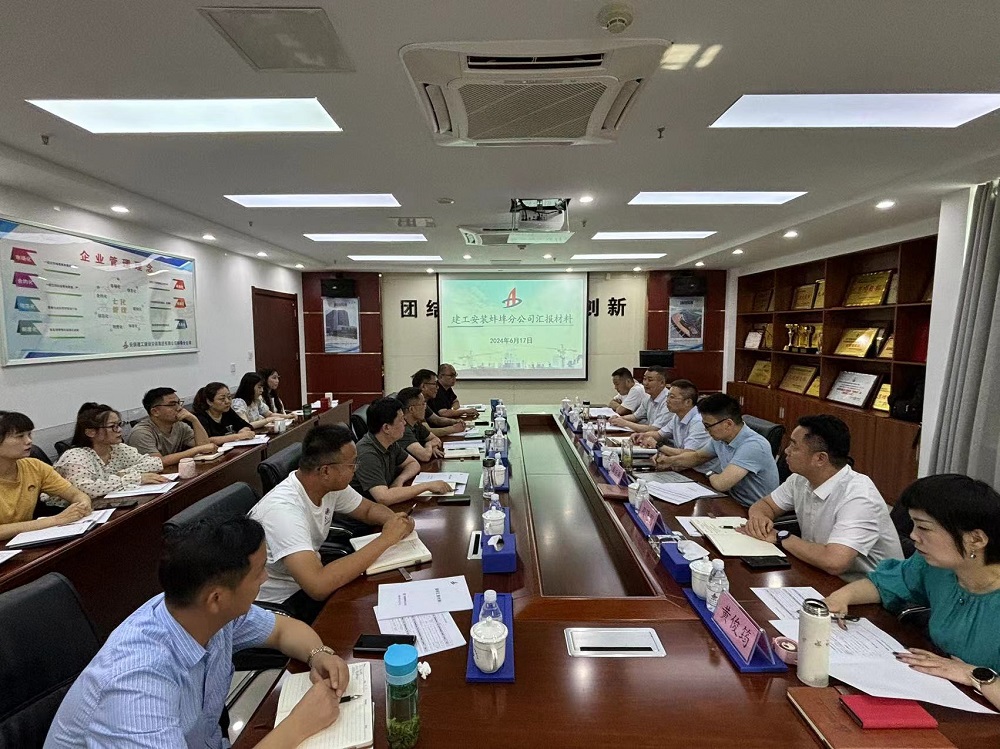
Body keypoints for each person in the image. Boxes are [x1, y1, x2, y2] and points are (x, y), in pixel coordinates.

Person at [45, 515, 349, 748]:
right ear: (216, 598)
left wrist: (318, 655)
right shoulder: (137, 686)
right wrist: (299, 725)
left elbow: (283, 630)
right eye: (258, 572)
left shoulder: (203, 611)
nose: (265, 578)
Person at [825, 474, 1000, 710]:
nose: (913, 536)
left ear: (976, 539)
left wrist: (973, 674)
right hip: (943, 692)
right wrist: (841, 597)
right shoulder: (936, 567)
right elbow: (884, 583)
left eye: (924, 528)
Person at [249, 424, 416, 621]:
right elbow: (318, 586)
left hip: (307, 582)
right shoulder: (283, 512)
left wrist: (396, 521)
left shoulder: (328, 486)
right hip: (280, 605)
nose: (355, 470)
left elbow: (368, 510)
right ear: (326, 471)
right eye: (352, 465)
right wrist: (386, 539)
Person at [741, 415, 903, 580]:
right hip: (818, 572)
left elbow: (834, 562)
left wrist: (781, 536)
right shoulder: (800, 479)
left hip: (868, 587)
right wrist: (759, 520)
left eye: (794, 446)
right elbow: (766, 504)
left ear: (820, 458)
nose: (786, 451)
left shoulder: (859, 496)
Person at [664, 393, 779, 507]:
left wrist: (709, 473)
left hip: (753, 509)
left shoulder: (753, 446)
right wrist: (669, 461)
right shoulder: (721, 439)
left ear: (728, 424)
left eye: (708, 426)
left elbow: (721, 484)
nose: (705, 430)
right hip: (731, 500)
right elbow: (697, 457)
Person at [0, 411, 92, 542]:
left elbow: (75, 494)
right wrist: (56, 520)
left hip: (24, 542)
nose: (29, 441)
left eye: (29, 434)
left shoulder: (34, 466)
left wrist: (82, 504)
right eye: (20, 436)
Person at [350, 397, 451, 506]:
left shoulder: (390, 442)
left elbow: (413, 463)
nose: (405, 423)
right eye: (401, 419)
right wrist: (427, 486)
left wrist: (399, 480)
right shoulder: (367, 454)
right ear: (386, 428)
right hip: (367, 512)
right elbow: (383, 498)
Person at [54, 403, 167, 500]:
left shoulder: (118, 448)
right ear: (91, 432)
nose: (120, 430)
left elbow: (155, 463)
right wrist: (134, 478)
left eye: (119, 424)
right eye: (113, 426)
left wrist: (122, 473)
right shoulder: (75, 456)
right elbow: (85, 489)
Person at [639, 379, 721, 475]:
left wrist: (659, 446)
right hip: (684, 468)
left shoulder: (699, 421)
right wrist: (643, 435)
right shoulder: (677, 416)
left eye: (672, 397)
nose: (667, 400)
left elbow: (688, 454)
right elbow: (660, 434)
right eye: (668, 396)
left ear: (688, 402)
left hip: (702, 474)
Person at [128, 388, 217, 467]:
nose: (179, 408)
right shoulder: (141, 432)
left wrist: (194, 420)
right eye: (172, 404)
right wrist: (196, 450)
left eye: (179, 403)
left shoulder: (180, 426)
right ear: (155, 411)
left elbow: (205, 447)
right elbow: (157, 462)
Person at [609, 366, 672, 434]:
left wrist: (625, 423)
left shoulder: (669, 401)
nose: (645, 383)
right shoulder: (648, 397)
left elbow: (655, 429)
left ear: (662, 383)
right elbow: (635, 416)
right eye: (644, 379)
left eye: (650, 380)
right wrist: (619, 418)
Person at [396, 386, 444, 462]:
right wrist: (429, 445)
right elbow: (424, 456)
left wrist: (433, 448)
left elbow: (436, 439)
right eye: (423, 404)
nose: (425, 407)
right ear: (412, 409)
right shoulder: (403, 429)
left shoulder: (416, 424)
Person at [412, 369, 464, 437]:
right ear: (423, 386)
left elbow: (437, 420)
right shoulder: (415, 403)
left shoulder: (423, 402)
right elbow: (427, 432)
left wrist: (455, 421)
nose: (438, 387)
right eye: (435, 384)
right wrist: (453, 429)